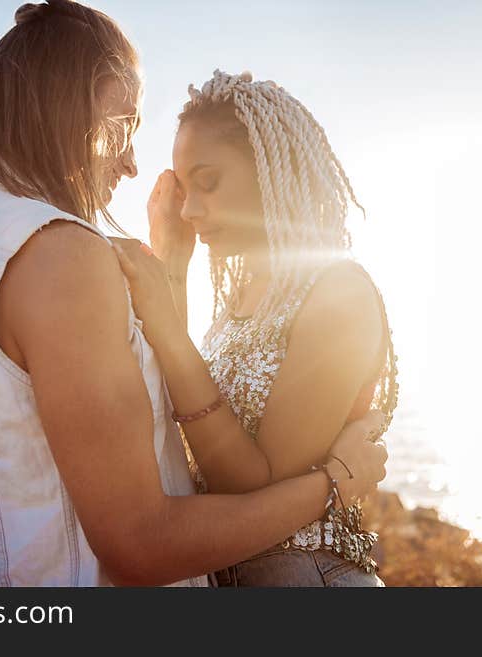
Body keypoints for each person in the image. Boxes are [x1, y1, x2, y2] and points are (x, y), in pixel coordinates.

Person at [0, 0, 387, 587]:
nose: (132, 164)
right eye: (127, 126)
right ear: (83, 104)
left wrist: (170, 270)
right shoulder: (61, 254)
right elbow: (140, 541)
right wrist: (334, 484)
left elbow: (158, 429)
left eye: (208, 182)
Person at [113, 70, 399, 586]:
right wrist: (173, 263)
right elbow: (180, 414)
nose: (191, 209)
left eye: (209, 182)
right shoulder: (243, 297)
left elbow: (254, 489)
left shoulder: (339, 292)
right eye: (184, 190)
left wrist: (167, 325)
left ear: (273, 169)